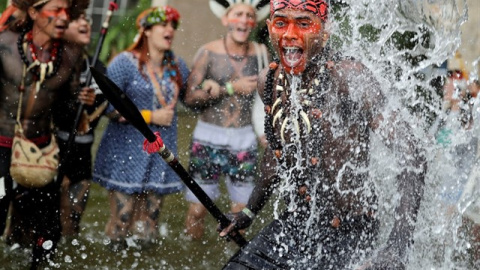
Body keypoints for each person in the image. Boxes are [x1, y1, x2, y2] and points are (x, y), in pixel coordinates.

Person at [219, 1, 427, 269]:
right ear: (270, 28)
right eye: (281, 23)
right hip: (299, 219)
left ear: (325, 32)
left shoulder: (350, 78)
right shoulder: (269, 80)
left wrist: (398, 247)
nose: (290, 35)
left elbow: (413, 156)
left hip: (351, 228)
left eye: (304, 24)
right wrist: (248, 212)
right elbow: (276, 150)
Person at [0, 0, 91, 265]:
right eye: (55, 10)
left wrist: (79, 102)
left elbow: (65, 114)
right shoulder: (5, 44)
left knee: (49, 231)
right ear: (33, 12)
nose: (63, 17)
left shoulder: (71, 55)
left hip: (41, 151)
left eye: (66, 11)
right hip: (2, 151)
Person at [92, 5, 189, 250]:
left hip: (159, 154)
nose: (170, 30)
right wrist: (150, 115)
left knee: (148, 229)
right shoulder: (125, 63)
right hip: (126, 153)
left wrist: (214, 88)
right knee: (122, 223)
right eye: (163, 25)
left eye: (173, 26)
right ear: (146, 30)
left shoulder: (176, 65)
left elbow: (190, 97)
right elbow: (104, 107)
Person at [183, 0, 270, 240]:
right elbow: (189, 98)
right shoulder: (208, 52)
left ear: (255, 22)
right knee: (198, 208)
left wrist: (266, 131)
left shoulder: (262, 53)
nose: (244, 20)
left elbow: (267, 98)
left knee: (240, 214)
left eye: (249, 15)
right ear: (226, 19)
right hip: (208, 137)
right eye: (238, 14)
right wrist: (228, 88)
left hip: (244, 141)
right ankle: (192, 254)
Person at [52, 11, 107, 237]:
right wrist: (73, 100)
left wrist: (92, 104)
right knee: (54, 217)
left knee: (74, 220)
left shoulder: (96, 66)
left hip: (83, 151)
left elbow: (104, 104)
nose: (85, 22)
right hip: (55, 148)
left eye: (86, 18)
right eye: (78, 19)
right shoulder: (53, 62)